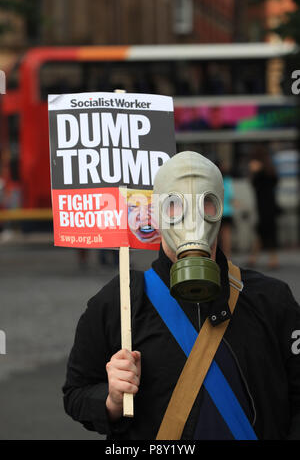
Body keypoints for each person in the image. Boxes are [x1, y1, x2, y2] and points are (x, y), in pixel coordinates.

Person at [63, 151, 300, 440]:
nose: (192, 220)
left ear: (219, 209)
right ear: (156, 212)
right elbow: (76, 393)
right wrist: (112, 399)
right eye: (175, 205)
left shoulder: (270, 299)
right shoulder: (121, 301)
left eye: (206, 204)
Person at [247, 146, 279, 270]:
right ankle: (256, 257)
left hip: (263, 205)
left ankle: (271, 258)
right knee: (265, 231)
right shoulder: (270, 169)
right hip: (270, 204)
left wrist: (255, 172)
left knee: (265, 231)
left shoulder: (260, 170)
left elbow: (254, 184)